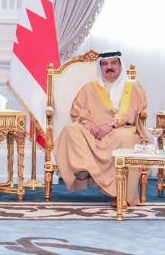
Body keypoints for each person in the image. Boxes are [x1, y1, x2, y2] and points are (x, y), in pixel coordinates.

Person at [52, 51, 147, 206]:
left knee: (127, 138)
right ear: (100, 67)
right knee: (71, 130)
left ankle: (121, 194)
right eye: (105, 64)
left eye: (113, 63)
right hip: (95, 132)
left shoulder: (132, 86)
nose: (109, 67)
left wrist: (110, 126)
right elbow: (77, 111)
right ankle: (91, 171)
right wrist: (91, 126)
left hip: (121, 129)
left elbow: (131, 113)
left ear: (120, 65)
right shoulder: (90, 88)